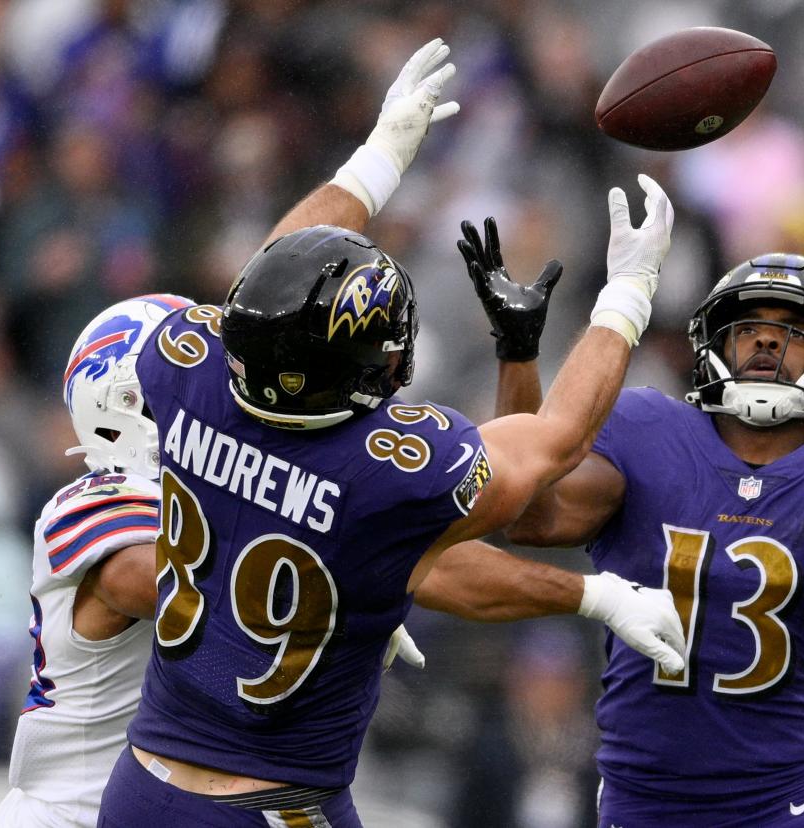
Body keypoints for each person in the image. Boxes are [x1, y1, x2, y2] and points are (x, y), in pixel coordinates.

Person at [95, 34, 681, 827]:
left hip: (142, 789)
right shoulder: (391, 468)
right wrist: (629, 294)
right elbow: (557, 444)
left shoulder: (183, 362)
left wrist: (373, 161)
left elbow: (265, 277)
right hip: (274, 803)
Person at [455, 231, 804, 827]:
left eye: (794, 327)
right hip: (643, 799)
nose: (765, 336)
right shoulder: (647, 426)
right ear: (713, 340)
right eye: (748, 323)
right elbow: (528, 516)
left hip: (784, 802)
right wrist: (519, 353)